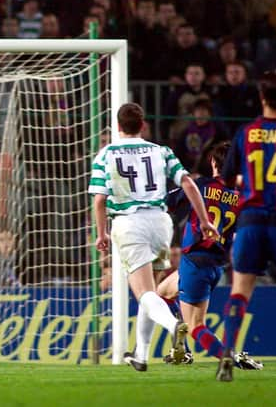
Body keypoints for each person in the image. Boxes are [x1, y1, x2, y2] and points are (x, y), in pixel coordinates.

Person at [89, 103, 219, 372]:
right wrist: (205, 220)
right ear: (143, 125)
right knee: (154, 293)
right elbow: (188, 183)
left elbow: (100, 200)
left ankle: (174, 325)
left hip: (129, 223)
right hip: (161, 223)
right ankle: (141, 354)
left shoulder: (106, 154)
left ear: (118, 126)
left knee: (145, 293)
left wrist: (100, 233)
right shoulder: (161, 151)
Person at [158, 142, 262, 370]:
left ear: (213, 163)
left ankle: (230, 357)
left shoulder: (202, 186)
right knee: (162, 293)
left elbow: (168, 203)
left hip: (194, 260)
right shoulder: (241, 197)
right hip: (215, 265)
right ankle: (181, 351)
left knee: (196, 326)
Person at [216, 70, 276, 382]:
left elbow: (227, 178)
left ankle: (227, 352)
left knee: (240, 291)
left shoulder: (247, 131)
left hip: (251, 222)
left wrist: (245, 181)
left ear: (261, 97)